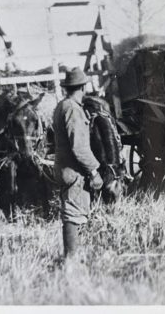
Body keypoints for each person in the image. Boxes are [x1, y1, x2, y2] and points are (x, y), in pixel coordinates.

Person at [51, 67, 103, 259]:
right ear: (83, 87)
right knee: (73, 214)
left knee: (74, 210)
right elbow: (79, 148)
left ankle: (75, 256)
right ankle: (71, 260)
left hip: (63, 166)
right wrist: (94, 171)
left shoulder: (61, 106)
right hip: (74, 170)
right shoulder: (73, 109)